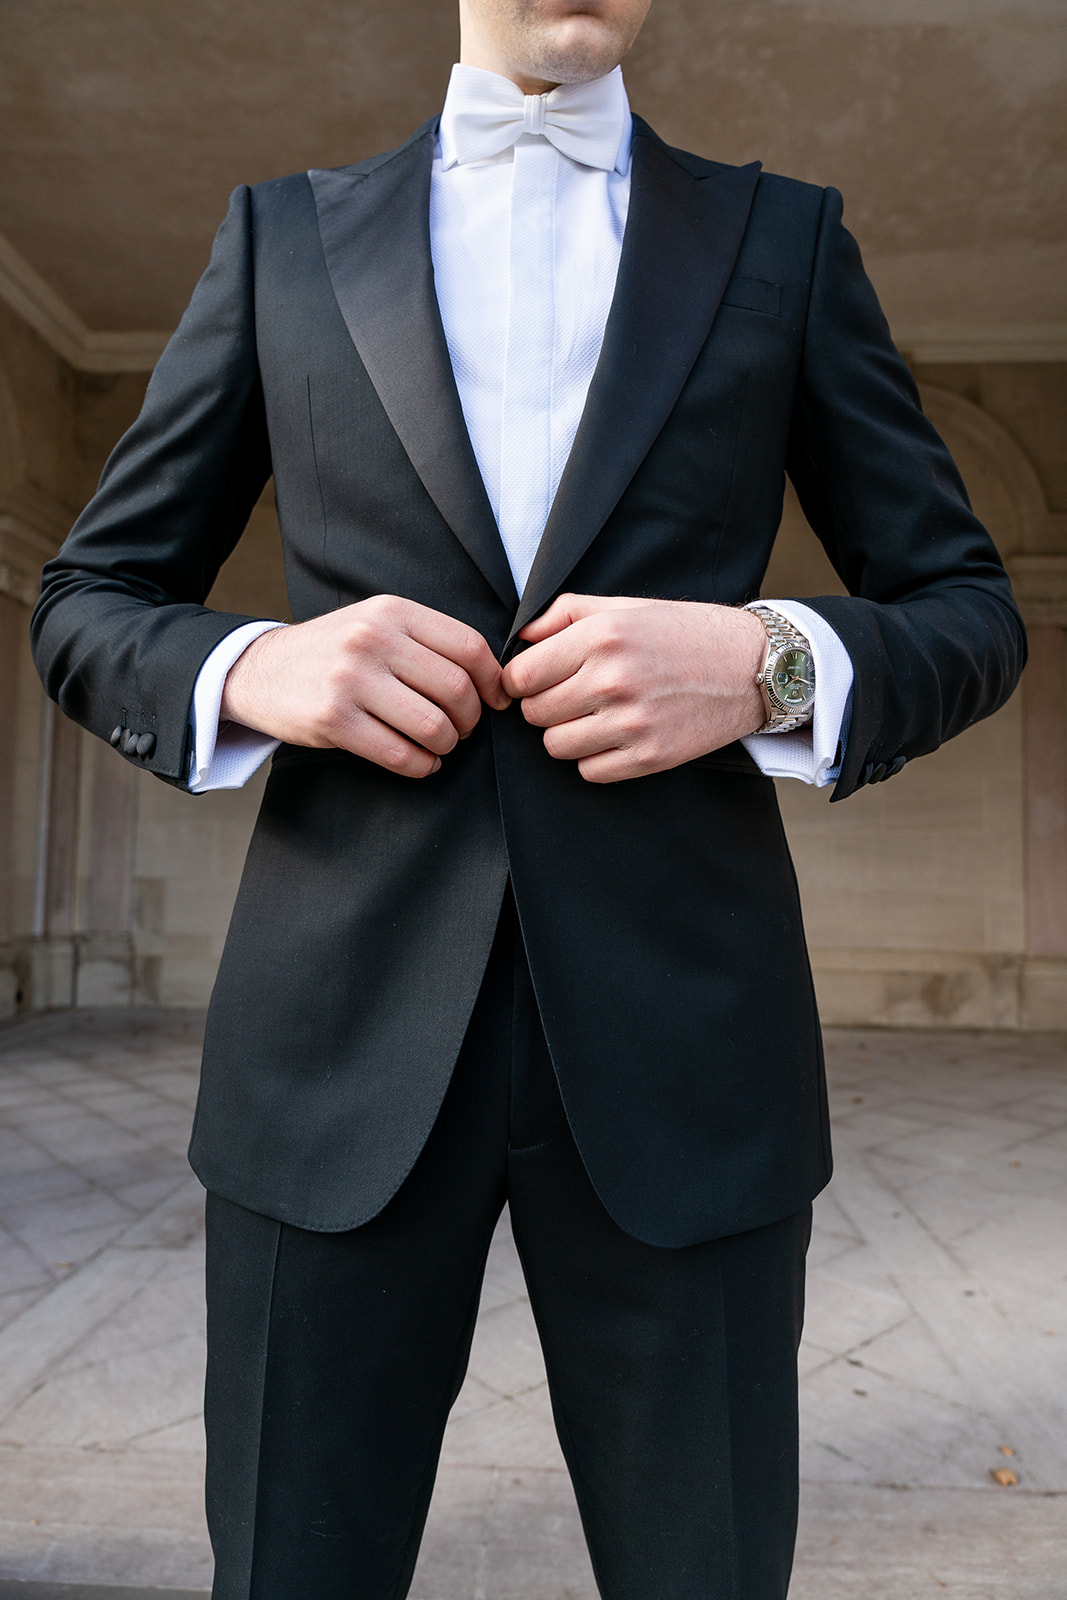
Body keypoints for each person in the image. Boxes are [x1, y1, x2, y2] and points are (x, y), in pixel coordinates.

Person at [31, 1, 1025, 1595]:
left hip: (691, 1068)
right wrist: (259, 670)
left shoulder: (787, 240)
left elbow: (972, 609)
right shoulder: (280, 237)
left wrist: (762, 659)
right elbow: (87, 599)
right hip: (329, 1057)